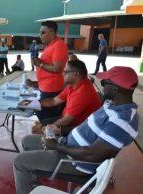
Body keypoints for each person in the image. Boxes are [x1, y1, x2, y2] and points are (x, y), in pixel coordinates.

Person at [13, 66, 139, 194]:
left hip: (74, 162)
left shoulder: (122, 121)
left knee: (20, 162)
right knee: (27, 141)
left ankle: (28, 183)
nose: (101, 86)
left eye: (104, 82)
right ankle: (32, 185)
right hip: (68, 145)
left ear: (114, 88)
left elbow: (92, 155)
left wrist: (56, 146)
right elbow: (86, 128)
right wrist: (60, 130)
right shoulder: (111, 105)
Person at [22, 60, 101, 133]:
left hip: (76, 128)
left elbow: (66, 121)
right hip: (67, 119)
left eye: (66, 72)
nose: (63, 74)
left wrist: (46, 129)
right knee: (41, 115)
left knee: (39, 129)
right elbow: (54, 101)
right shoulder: (74, 85)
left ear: (76, 74)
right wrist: (32, 103)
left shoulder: (83, 92)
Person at [26, 21, 68, 126]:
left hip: (52, 90)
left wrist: (40, 64)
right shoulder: (49, 45)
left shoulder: (58, 45)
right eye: (40, 32)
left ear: (52, 32)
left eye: (43, 32)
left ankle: (48, 137)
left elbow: (57, 68)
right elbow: (47, 65)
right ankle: (44, 130)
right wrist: (36, 83)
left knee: (47, 119)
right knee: (42, 114)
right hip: (45, 87)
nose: (40, 35)